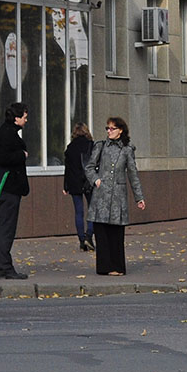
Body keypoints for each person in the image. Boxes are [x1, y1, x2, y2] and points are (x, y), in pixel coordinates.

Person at [86, 116, 145, 276]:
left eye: (112, 128)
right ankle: (105, 267)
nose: (109, 131)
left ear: (120, 130)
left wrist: (139, 197)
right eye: (107, 128)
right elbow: (89, 167)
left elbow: (133, 174)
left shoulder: (127, 149)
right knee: (102, 234)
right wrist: (96, 180)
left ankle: (117, 266)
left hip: (118, 197)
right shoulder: (100, 146)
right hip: (101, 196)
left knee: (116, 235)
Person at [0, 102, 31, 280]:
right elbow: (1, 157)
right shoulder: (7, 133)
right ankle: (5, 268)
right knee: (7, 229)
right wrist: (21, 155)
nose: (26, 119)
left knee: (6, 228)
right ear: (16, 118)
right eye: (24, 116)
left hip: (10, 188)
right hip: (9, 189)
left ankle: (5, 267)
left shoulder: (7, 132)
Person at [62, 123, 95, 251]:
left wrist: (65, 185)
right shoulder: (91, 145)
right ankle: (89, 236)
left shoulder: (70, 148)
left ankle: (82, 240)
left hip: (74, 183)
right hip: (89, 181)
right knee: (93, 210)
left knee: (79, 212)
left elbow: (67, 169)